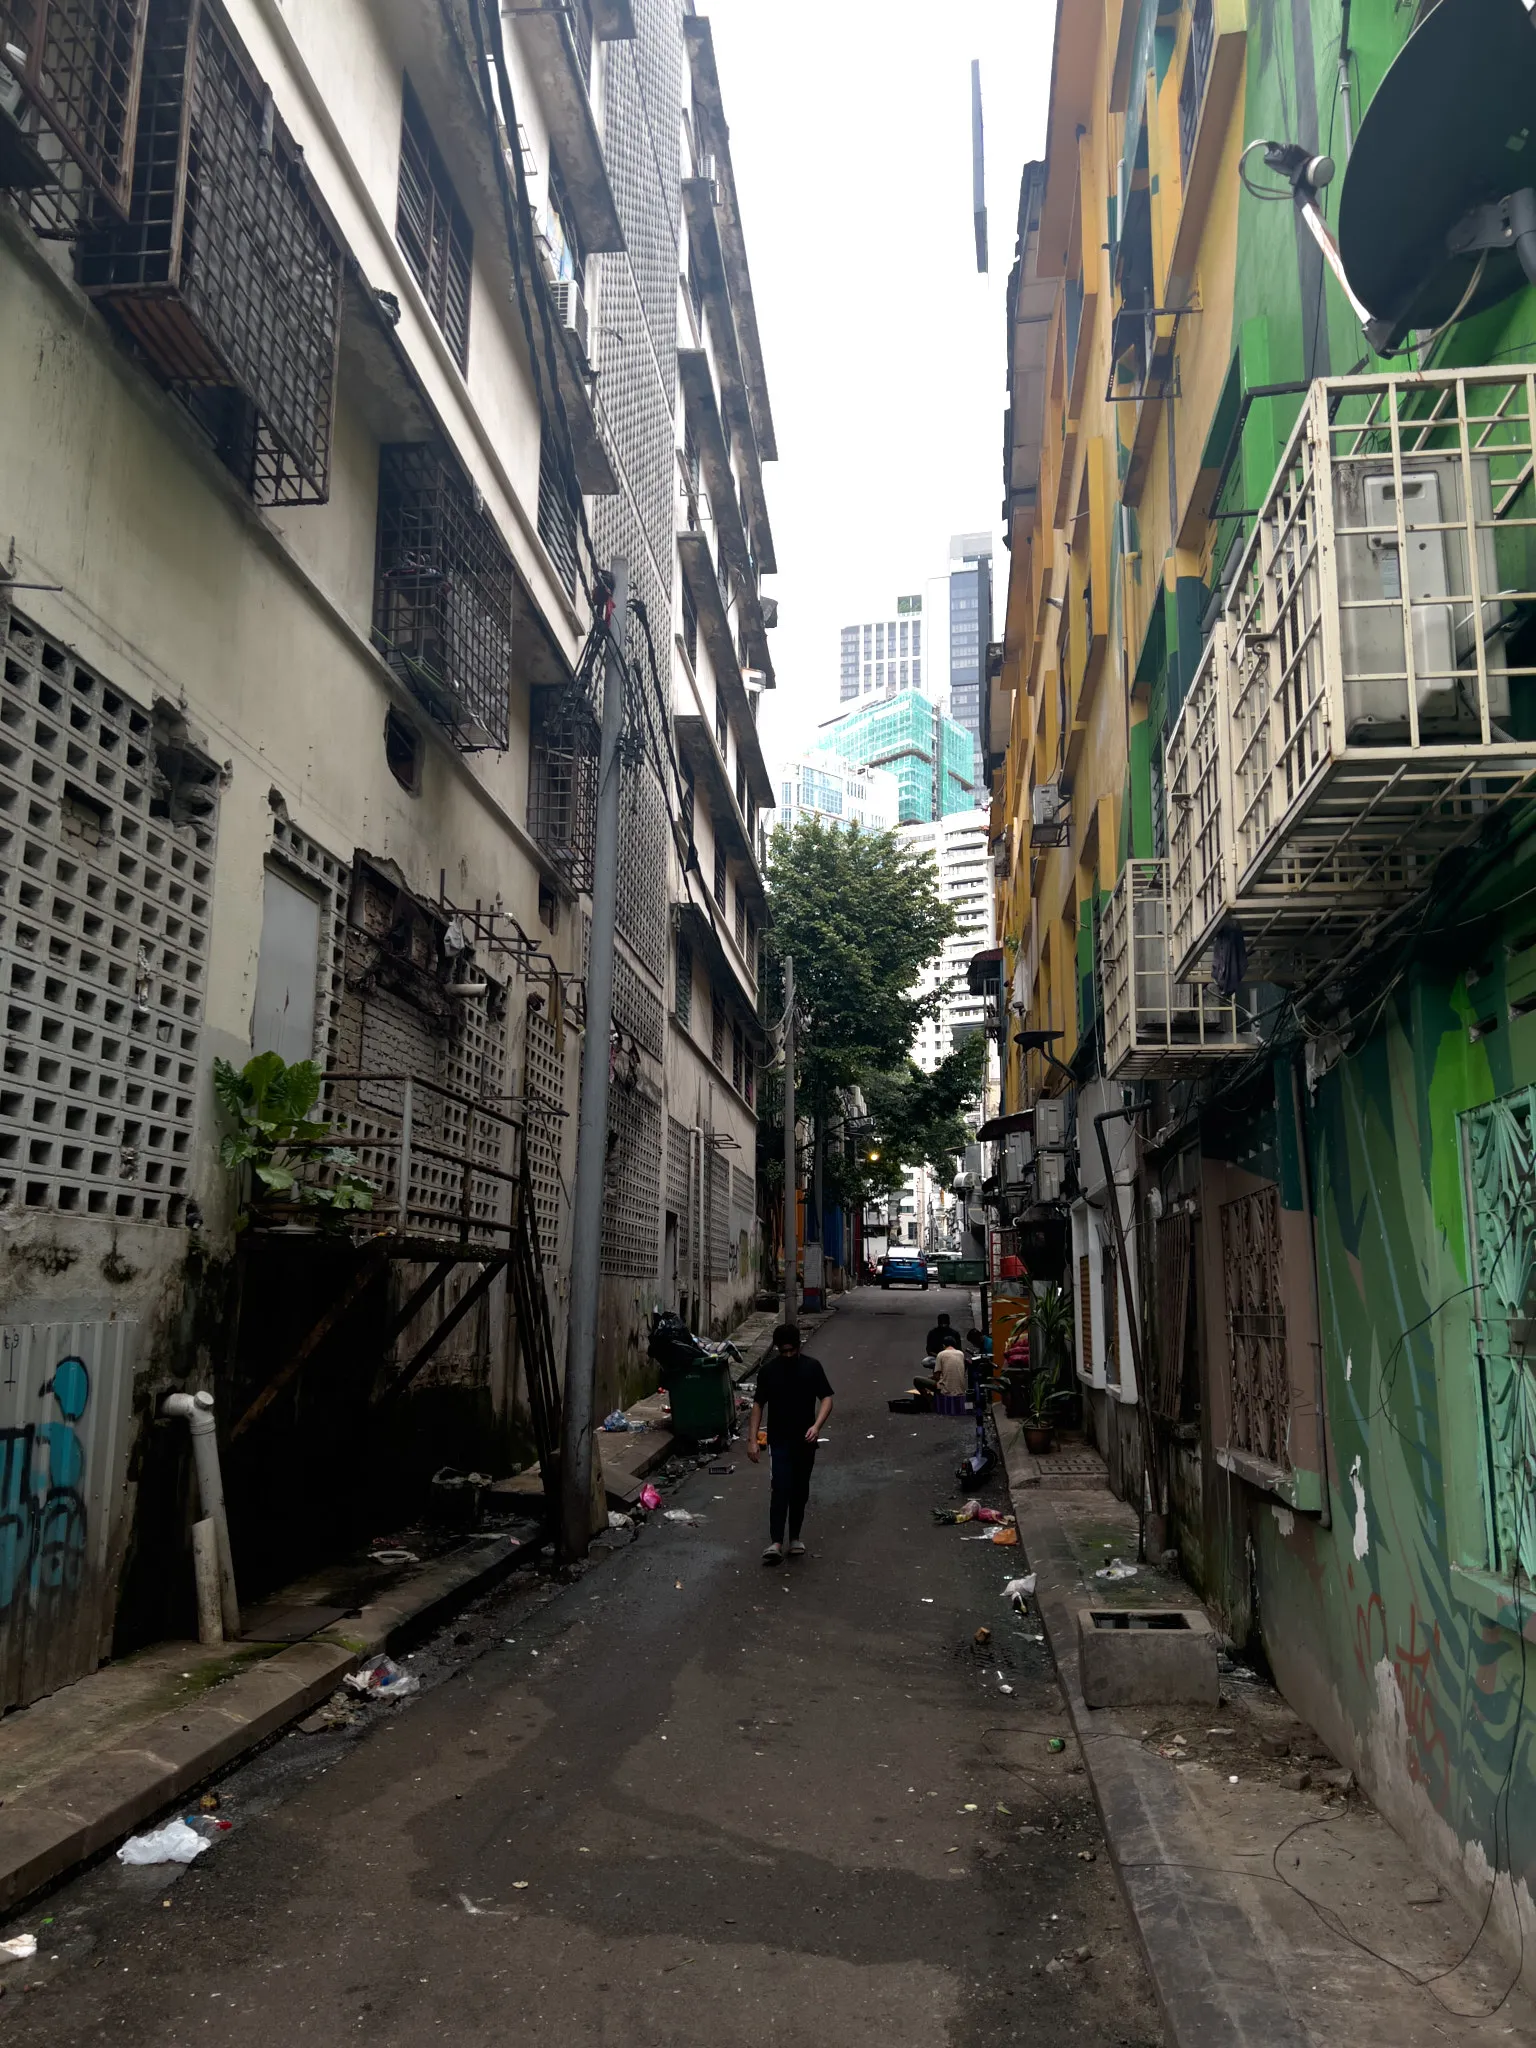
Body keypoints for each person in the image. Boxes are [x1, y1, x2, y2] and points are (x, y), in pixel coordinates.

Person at [747, 1325, 834, 1565]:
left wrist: (816, 1426)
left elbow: (826, 1398)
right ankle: (776, 1541)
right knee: (781, 1488)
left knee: (800, 1489)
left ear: (798, 1347)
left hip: (805, 1440)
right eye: (783, 1351)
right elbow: (758, 1405)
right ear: (777, 1349)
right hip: (779, 1440)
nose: (787, 1355)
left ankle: (794, 1537)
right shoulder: (768, 1372)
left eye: (791, 1351)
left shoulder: (812, 1367)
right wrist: (752, 1440)